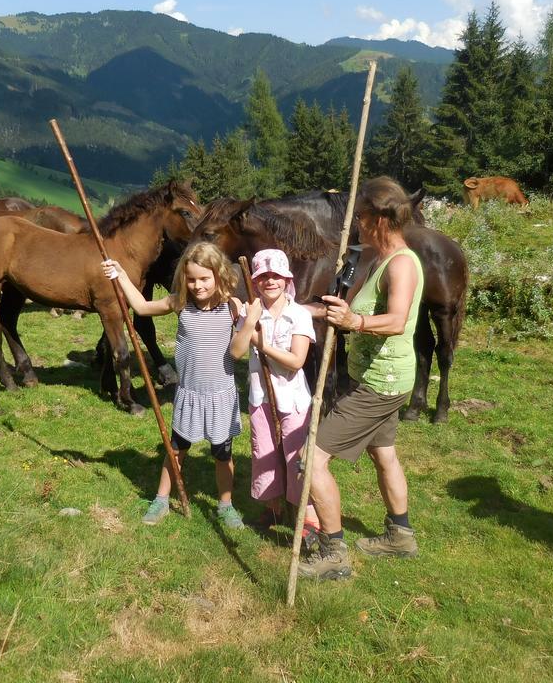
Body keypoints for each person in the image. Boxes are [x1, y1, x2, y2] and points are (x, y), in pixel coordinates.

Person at [297, 176, 425, 581]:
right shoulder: (377, 259)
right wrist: (305, 310)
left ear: (379, 220)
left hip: (381, 382)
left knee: (311, 458)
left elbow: (397, 319)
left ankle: (334, 552)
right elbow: (343, 310)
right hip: (378, 376)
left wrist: (357, 321)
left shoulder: (402, 262)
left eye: (360, 218)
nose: (355, 226)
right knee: (382, 453)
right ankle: (400, 535)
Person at [102, 243, 248, 530]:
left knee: (223, 453)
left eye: (204, 279)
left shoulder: (232, 306)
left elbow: (244, 345)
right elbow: (141, 307)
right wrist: (120, 274)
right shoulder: (180, 303)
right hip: (190, 394)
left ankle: (226, 504)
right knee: (176, 450)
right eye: (191, 279)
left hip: (220, 395)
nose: (197, 285)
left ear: (218, 274)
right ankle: (161, 499)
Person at [230, 248, 320, 531]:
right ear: (255, 281)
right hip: (261, 397)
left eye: (276, 276)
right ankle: (274, 508)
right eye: (264, 276)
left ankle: (308, 518)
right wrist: (246, 321)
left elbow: (296, 361)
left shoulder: (299, 315)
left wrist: (264, 345)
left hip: (292, 399)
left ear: (286, 279)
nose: (270, 281)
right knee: (263, 452)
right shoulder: (251, 312)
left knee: (296, 458)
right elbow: (236, 351)